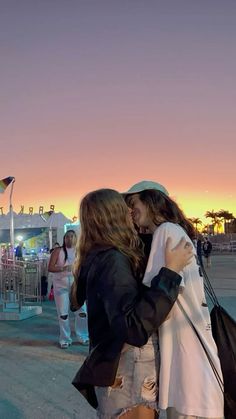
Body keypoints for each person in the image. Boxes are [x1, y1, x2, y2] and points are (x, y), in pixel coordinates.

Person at [71, 188, 193, 419]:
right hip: (129, 368)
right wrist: (171, 271)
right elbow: (133, 327)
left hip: (120, 366)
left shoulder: (99, 256)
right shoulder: (113, 260)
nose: (130, 211)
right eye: (123, 207)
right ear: (113, 215)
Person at [124, 180, 224, 419]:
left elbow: (160, 305)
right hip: (196, 364)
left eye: (133, 202)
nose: (130, 210)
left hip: (186, 368)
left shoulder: (165, 232)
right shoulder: (176, 232)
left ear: (150, 200)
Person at [48, 230, 89, 349]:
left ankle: (83, 336)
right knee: (63, 314)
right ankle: (65, 338)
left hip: (76, 287)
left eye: (72, 236)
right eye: (67, 236)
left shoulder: (80, 251)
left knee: (82, 313)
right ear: (64, 238)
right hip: (61, 287)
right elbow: (50, 267)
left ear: (76, 238)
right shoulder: (58, 251)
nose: (69, 239)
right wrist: (63, 268)